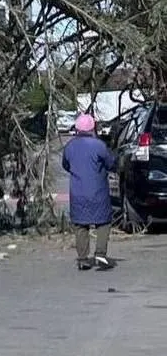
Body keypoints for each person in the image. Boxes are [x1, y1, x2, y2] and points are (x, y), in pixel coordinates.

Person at [62, 112, 117, 270]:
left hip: (78, 192)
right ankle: (100, 252)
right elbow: (110, 162)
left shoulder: (70, 146)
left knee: (80, 225)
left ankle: (83, 258)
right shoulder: (99, 145)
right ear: (93, 128)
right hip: (98, 191)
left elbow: (65, 165)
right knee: (103, 222)